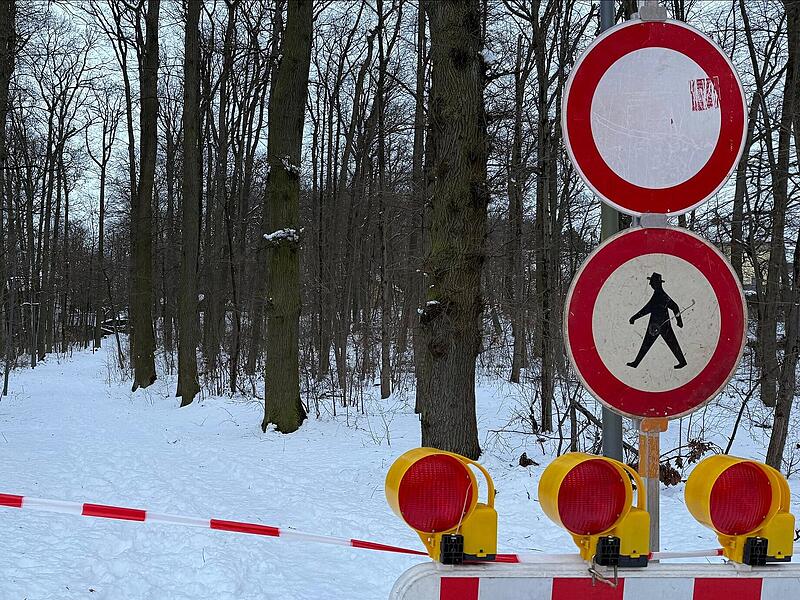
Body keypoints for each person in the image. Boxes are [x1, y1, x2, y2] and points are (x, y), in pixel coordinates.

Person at [626, 272, 687, 369]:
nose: (650, 284)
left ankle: (636, 363)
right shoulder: (658, 294)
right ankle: (636, 363)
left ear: (656, 283)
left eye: (652, 282)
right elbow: (648, 309)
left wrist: (679, 320)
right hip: (657, 325)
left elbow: (674, 307)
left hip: (658, 326)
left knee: (653, 343)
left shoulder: (661, 295)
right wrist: (679, 321)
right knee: (651, 343)